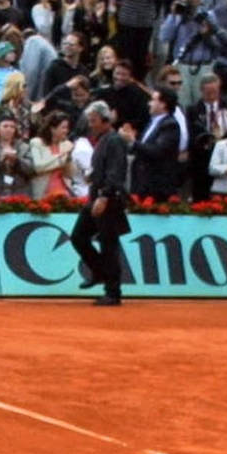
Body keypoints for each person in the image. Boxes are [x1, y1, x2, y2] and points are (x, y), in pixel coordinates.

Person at [73, 102, 131, 308]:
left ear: (105, 120)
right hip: (98, 196)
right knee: (79, 237)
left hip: (108, 199)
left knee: (108, 244)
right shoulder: (104, 140)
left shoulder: (113, 141)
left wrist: (105, 196)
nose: (91, 124)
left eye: (94, 120)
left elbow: (116, 172)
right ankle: (100, 273)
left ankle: (112, 291)